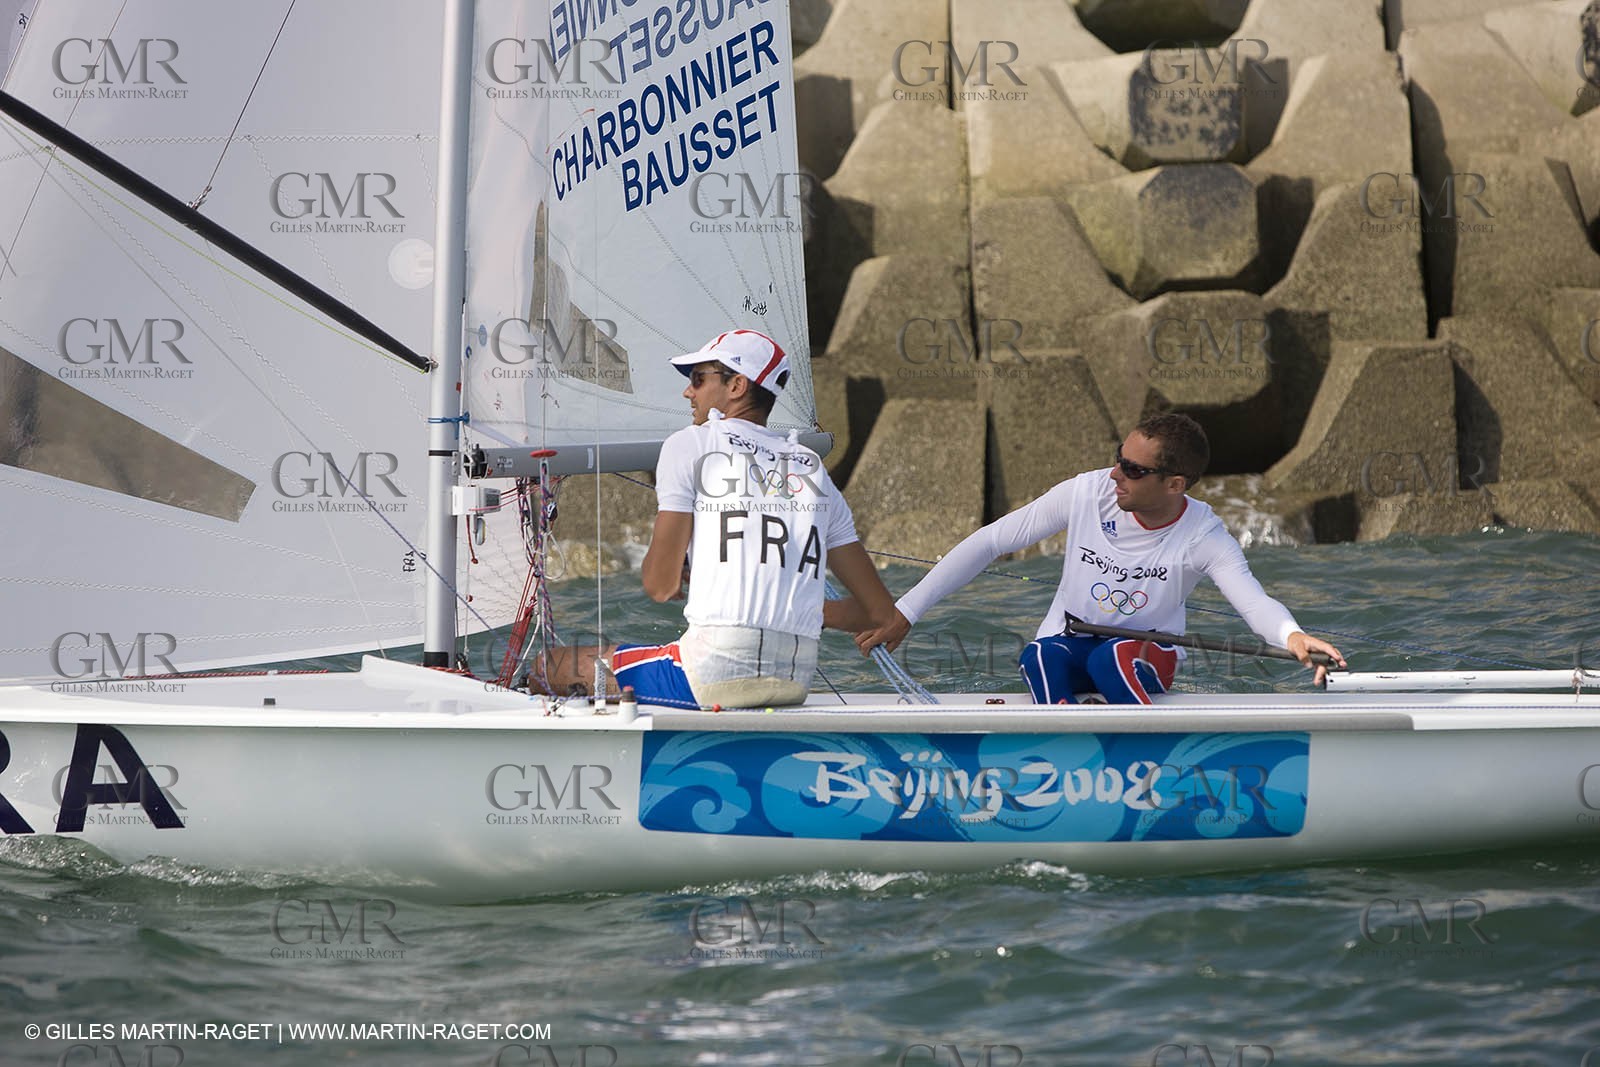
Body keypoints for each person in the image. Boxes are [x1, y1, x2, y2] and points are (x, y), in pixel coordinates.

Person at [855, 413, 1345, 704]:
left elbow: (1253, 603)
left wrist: (1292, 635)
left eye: (1133, 469)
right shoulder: (1087, 493)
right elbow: (990, 542)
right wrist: (906, 611)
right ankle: (1066, 758)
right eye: (1118, 458)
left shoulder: (1204, 535)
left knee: (1115, 657)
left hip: (1145, 655)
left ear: (1174, 485)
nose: (1116, 474)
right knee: (1041, 655)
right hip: (1068, 643)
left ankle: (1141, 765)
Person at [543, 328, 895, 708]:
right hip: (794, 680)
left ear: (737, 385)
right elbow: (878, 612)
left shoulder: (692, 443)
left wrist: (678, 566)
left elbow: (659, 585)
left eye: (698, 379)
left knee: (552, 665)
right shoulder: (811, 468)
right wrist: (792, 607)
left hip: (709, 676)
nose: (687, 392)